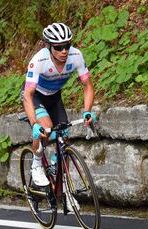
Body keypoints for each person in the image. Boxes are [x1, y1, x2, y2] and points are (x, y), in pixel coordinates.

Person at [21, 22, 97, 189]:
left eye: (67, 45)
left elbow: (88, 86)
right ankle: (36, 164)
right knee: (45, 128)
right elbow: (28, 94)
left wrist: (87, 112)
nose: (64, 51)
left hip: (54, 97)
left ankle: (64, 187)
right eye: (59, 47)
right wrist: (34, 124)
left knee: (64, 136)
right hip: (36, 96)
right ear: (48, 46)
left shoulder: (76, 56)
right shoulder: (39, 60)